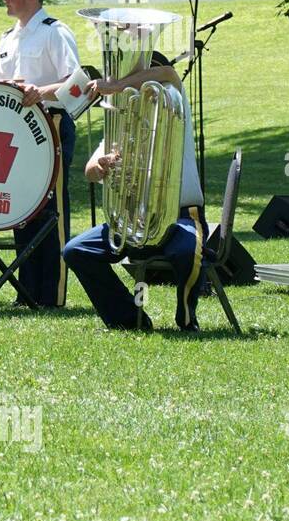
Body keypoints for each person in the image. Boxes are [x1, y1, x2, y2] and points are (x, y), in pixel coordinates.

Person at [63, 64, 206, 331]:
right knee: (75, 251)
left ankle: (186, 317)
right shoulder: (123, 126)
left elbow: (168, 73)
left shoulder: (176, 112)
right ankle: (127, 319)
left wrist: (116, 84)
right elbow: (90, 172)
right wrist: (101, 166)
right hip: (131, 220)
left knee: (188, 252)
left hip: (181, 216)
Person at [0, 0, 81, 307]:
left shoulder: (54, 32)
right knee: (23, 206)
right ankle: (27, 290)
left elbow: (77, 83)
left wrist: (40, 91)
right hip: (18, 130)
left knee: (51, 209)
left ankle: (53, 292)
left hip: (52, 125)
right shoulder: (7, 37)